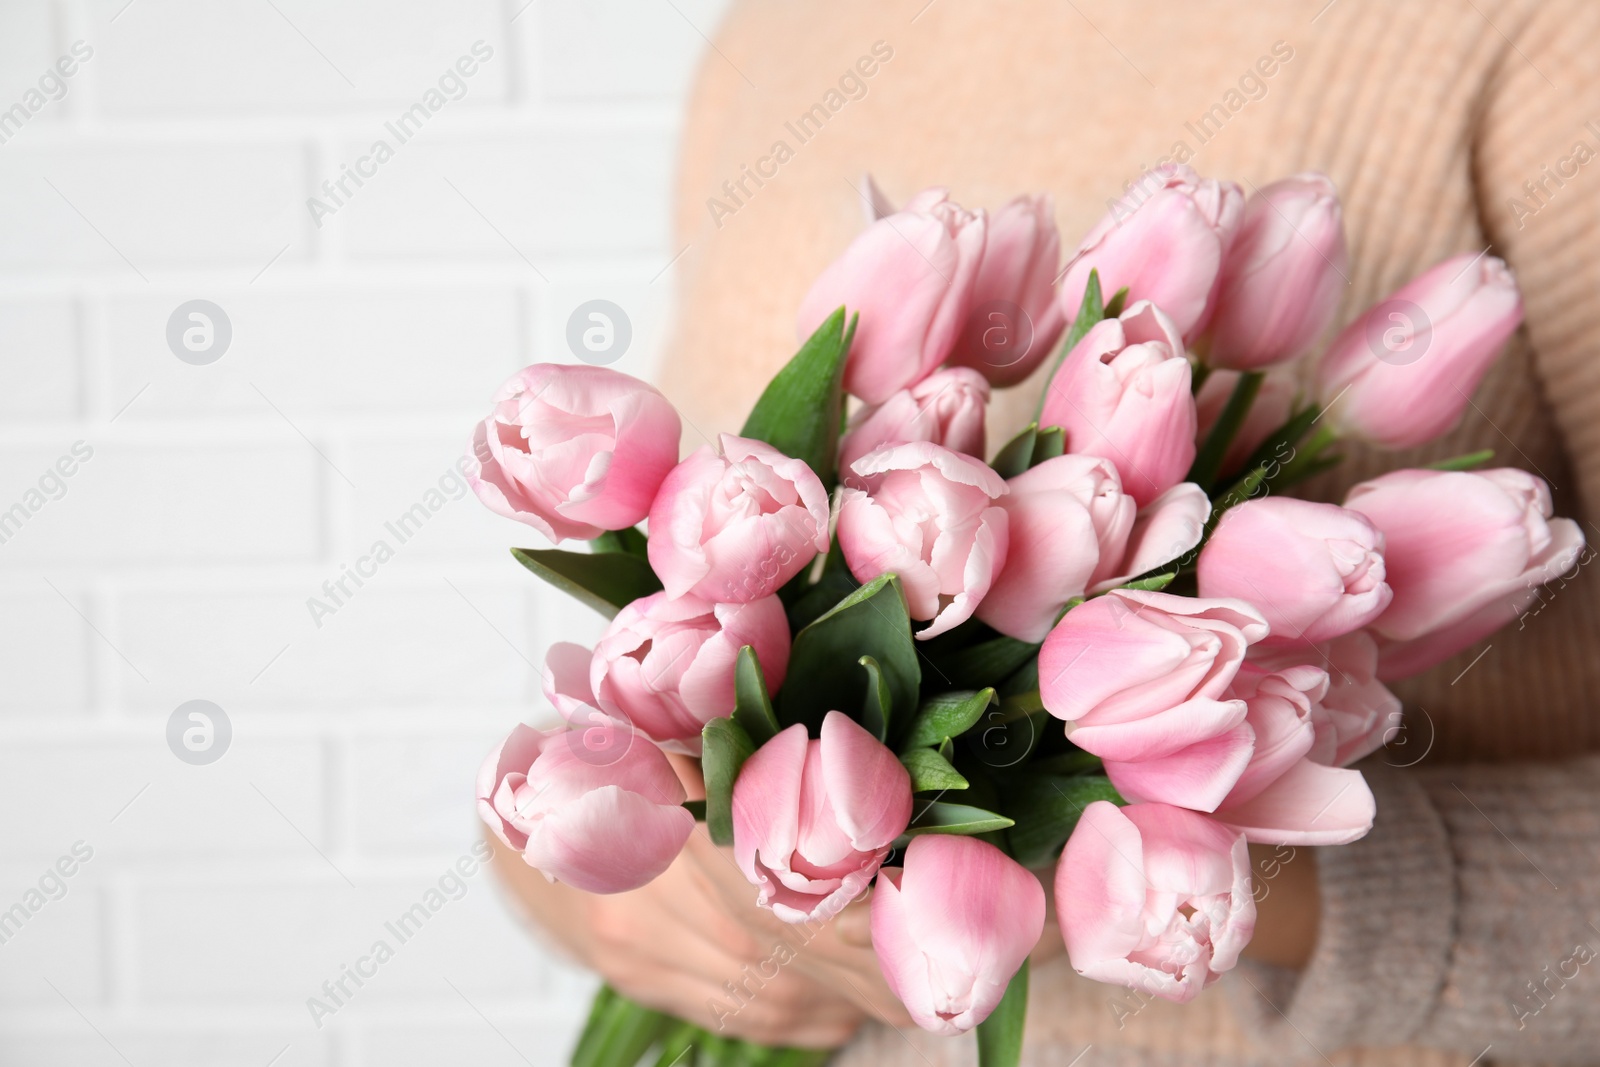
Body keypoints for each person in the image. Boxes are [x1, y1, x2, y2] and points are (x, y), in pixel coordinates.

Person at [491, 1, 1600, 1063]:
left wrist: (1193, 885)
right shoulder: (775, 33)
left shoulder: (1527, 39)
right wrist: (603, 885)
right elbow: (676, 671)